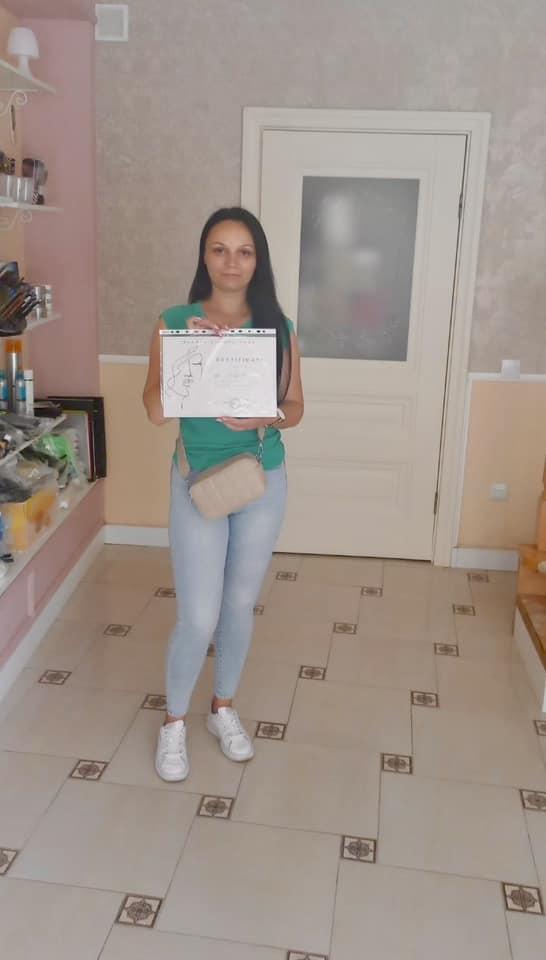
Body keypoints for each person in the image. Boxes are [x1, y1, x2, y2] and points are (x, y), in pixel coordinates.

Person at [143, 207, 304, 781]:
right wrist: (189, 355)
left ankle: (222, 708)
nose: (231, 262)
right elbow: (155, 409)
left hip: (262, 477)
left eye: (244, 251)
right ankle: (173, 721)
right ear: (204, 256)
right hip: (197, 481)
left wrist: (265, 415)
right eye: (219, 249)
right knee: (198, 615)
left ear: (258, 261)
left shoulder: (278, 326)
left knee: (238, 605)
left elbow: (295, 408)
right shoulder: (174, 320)